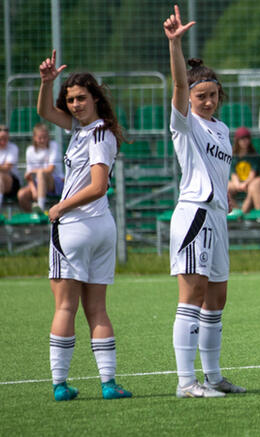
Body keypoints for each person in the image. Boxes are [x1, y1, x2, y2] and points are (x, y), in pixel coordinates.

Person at [36, 50, 132, 401]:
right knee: (97, 309)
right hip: (101, 229)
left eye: (81, 98)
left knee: (65, 308)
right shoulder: (84, 128)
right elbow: (45, 112)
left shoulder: (97, 134)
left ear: (95, 99)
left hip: (75, 228)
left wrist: (59, 206)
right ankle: (108, 384)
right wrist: (47, 84)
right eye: (70, 100)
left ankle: (60, 385)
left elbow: (97, 186)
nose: (75, 105)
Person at [164, 6, 245, 398]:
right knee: (192, 296)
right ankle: (186, 382)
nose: (208, 102)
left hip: (217, 216)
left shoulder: (222, 127)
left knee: (217, 298)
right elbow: (179, 87)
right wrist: (175, 44)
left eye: (213, 95)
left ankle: (213, 377)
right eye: (201, 96)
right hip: (194, 214)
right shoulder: (186, 122)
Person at [18, 123, 64, 212]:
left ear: (48, 137)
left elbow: (50, 169)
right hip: (37, 183)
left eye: (45, 137)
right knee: (21, 194)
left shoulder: (53, 146)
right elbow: (28, 175)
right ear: (34, 138)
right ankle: (34, 216)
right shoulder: (30, 150)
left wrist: (34, 171)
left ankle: (41, 207)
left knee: (41, 173)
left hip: (55, 183)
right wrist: (34, 190)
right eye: (40, 138)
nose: (42, 140)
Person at [228, 126, 260, 213]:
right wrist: (238, 184)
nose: (244, 141)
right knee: (225, 187)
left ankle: (244, 212)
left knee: (253, 187)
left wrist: (245, 184)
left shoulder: (254, 155)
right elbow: (233, 174)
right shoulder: (233, 155)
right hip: (238, 183)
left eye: (246, 138)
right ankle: (235, 211)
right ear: (237, 140)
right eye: (242, 139)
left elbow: (253, 174)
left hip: (249, 183)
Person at [0, 125, 22, 206]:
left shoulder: (13, 148)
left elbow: (7, 168)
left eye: (5, 138)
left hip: (12, 183)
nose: (3, 141)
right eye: (1, 138)